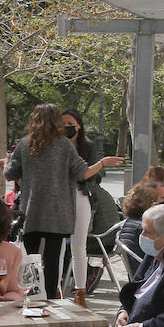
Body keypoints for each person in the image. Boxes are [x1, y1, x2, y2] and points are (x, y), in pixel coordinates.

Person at [0, 104, 91, 299]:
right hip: (59, 213)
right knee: (52, 259)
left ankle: (32, 297)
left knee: (31, 258)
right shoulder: (65, 145)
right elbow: (81, 171)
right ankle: (50, 298)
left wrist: (7, 161)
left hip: (31, 211)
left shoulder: (25, 144)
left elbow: (10, 174)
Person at [61, 109, 124, 304]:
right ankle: (57, 291)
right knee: (59, 246)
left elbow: (90, 174)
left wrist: (97, 166)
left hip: (81, 195)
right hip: (58, 199)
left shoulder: (87, 145)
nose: (66, 127)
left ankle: (80, 292)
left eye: (70, 123)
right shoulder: (56, 145)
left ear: (78, 125)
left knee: (78, 246)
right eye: (62, 124)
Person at [118, 182, 161, 278]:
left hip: (137, 269)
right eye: (154, 202)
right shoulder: (143, 227)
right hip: (147, 273)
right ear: (147, 204)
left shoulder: (131, 222)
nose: (156, 205)